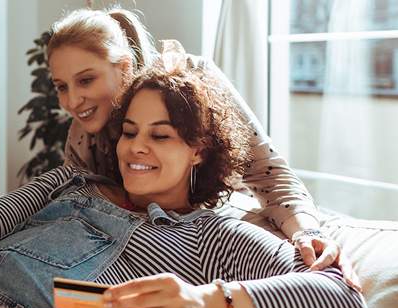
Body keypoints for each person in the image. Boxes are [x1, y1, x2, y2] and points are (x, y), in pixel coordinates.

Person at [0, 61, 367, 308]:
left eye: (160, 136)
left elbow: (343, 299)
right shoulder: (70, 180)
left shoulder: (210, 235)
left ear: (198, 151)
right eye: (129, 131)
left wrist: (205, 305)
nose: (136, 147)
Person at [44, 7, 360, 289]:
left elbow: (269, 175)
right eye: (61, 87)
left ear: (124, 67)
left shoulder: (192, 84)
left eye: (86, 81)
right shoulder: (82, 137)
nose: (71, 101)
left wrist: (306, 234)